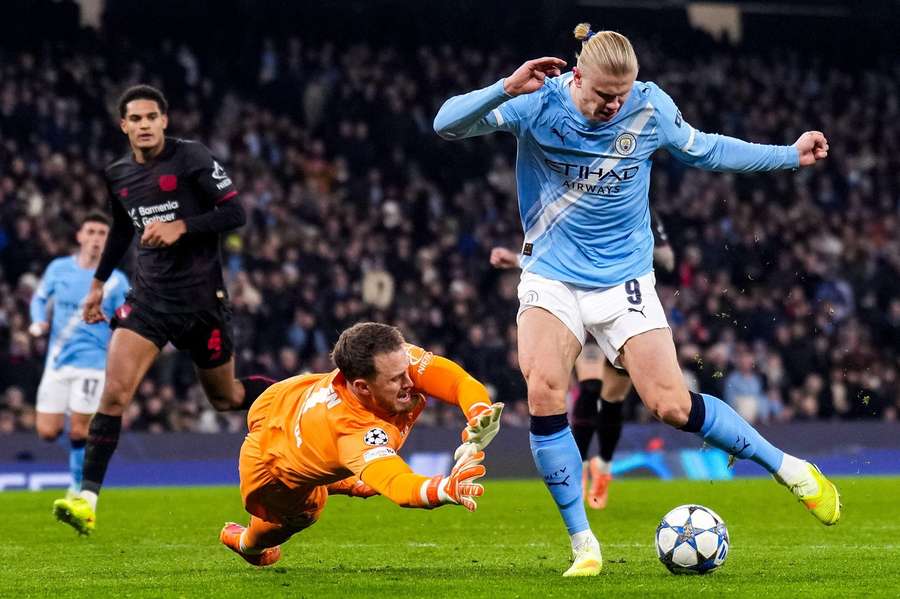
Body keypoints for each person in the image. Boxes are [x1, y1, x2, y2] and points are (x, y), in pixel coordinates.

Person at [435, 22, 840, 576]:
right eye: (604, 95)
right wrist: (505, 86)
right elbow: (446, 124)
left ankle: (791, 469)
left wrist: (789, 155)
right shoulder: (536, 102)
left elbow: (708, 150)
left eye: (621, 95)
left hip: (624, 280)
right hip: (552, 277)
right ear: (578, 77)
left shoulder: (649, 108)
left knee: (671, 406)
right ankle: (584, 543)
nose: (614, 105)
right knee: (545, 389)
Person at [53, 84, 274, 535]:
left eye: (151, 117)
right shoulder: (118, 174)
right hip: (149, 301)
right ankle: (86, 501)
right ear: (124, 126)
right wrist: (97, 286)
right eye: (135, 119)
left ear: (164, 121)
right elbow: (121, 231)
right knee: (115, 394)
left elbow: (236, 213)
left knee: (226, 398)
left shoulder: (191, 157)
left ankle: (300, 397)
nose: (144, 125)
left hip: (202, 303)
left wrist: (182, 226)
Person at [219, 322, 504, 567]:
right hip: (273, 465)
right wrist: (444, 488)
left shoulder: (394, 360)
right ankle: (245, 544)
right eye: (396, 379)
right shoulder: (352, 430)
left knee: (366, 481)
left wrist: (479, 412)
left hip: (288, 400)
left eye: (406, 370)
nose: (410, 381)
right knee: (304, 514)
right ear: (362, 387)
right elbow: (398, 484)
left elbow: (458, 381)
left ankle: (343, 480)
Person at [489, 210, 675, 510]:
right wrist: (517, 258)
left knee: (613, 398)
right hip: (582, 303)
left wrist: (652, 245)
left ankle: (604, 466)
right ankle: (581, 466)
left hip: (622, 305)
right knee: (589, 388)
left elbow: (668, 261)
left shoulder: (637, 209)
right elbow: (555, 257)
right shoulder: (576, 206)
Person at [29, 212, 129, 501]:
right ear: (80, 236)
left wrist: (115, 323)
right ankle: (77, 473)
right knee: (47, 431)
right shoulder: (59, 268)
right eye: (91, 232)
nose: (96, 238)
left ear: (108, 241)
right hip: (57, 363)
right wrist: (38, 321)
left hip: (93, 364)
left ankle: (76, 487)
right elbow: (39, 298)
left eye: (102, 233)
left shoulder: (115, 280)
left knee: (79, 430)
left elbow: (128, 315)